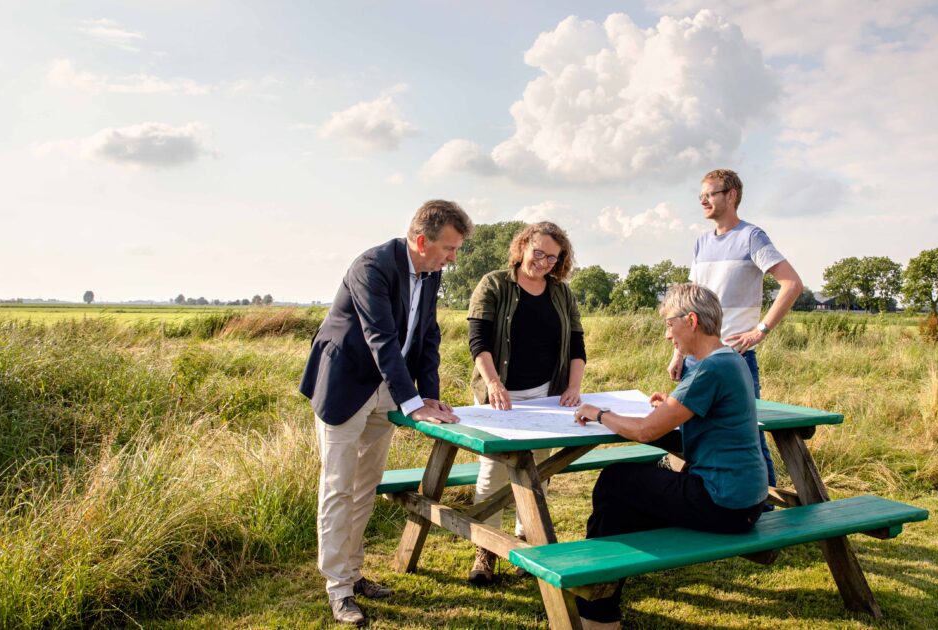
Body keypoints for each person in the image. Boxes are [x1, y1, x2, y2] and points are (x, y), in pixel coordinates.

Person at [298, 200, 473, 627]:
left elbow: (427, 335)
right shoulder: (371, 267)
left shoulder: (432, 274)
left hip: (386, 390)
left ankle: (353, 573)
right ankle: (337, 590)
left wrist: (428, 397)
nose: (453, 258)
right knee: (339, 487)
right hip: (345, 384)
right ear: (420, 240)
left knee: (366, 485)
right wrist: (411, 402)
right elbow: (381, 338)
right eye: (449, 248)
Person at [573, 283, 768, 629]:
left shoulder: (710, 369)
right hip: (747, 501)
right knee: (629, 494)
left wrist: (599, 413)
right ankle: (598, 599)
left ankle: (596, 605)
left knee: (614, 481)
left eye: (669, 324)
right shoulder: (730, 360)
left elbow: (647, 432)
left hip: (723, 504)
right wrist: (672, 408)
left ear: (691, 320)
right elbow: (703, 421)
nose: (667, 335)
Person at [666, 168, 803, 489]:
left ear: (731, 195)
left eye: (710, 194)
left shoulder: (751, 237)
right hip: (694, 359)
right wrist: (677, 353)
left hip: (734, 359)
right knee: (694, 433)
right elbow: (690, 307)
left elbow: (792, 283)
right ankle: (707, 497)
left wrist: (761, 330)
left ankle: (763, 509)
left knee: (748, 435)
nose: (704, 201)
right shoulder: (701, 243)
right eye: (701, 196)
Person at [465, 221, 586, 585]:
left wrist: (574, 386)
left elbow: (577, 345)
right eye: (539, 253)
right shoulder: (493, 284)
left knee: (539, 471)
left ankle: (525, 542)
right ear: (522, 247)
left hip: (546, 394)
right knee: (493, 471)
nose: (545, 262)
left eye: (553, 257)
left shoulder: (562, 294)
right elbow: (478, 341)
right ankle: (485, 550)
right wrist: (494, 384)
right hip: (499, 393)